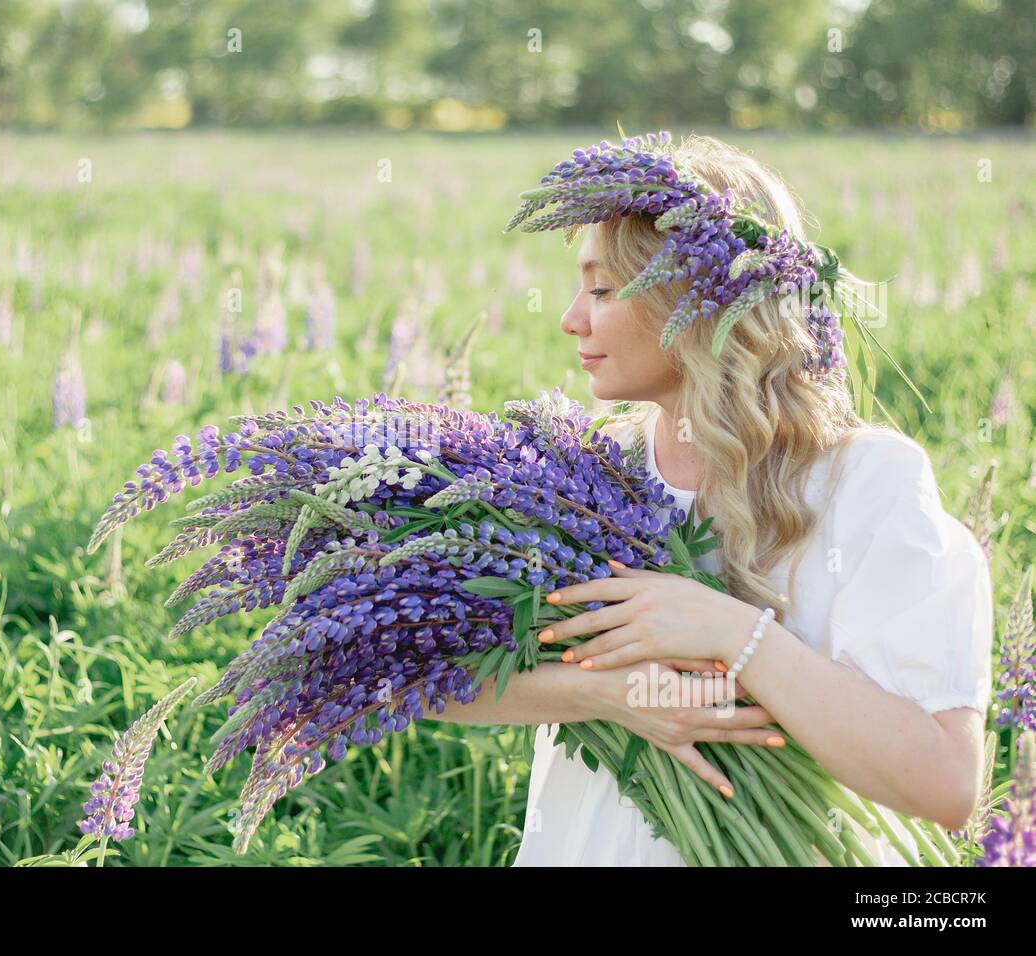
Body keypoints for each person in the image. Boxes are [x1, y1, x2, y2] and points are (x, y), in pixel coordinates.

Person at [426, 132, 993, 866]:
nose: (571, 318)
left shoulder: (865, 484)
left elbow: (945, 783)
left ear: (696, 302)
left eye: (601, 289)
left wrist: (735, 635)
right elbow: (421, 678)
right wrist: (607, 695)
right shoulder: (583, 474)